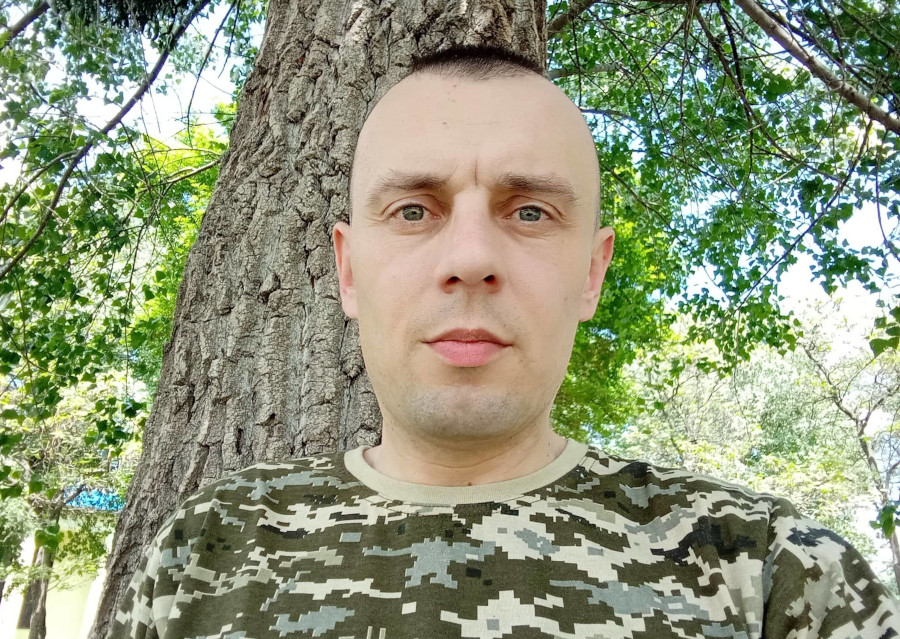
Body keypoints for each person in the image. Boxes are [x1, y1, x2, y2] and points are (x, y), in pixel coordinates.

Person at [111, 44, 899, 639]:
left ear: (591, 273)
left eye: (529, 212)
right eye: (414, 210)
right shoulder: (201, 556)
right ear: (348, 271)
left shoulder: (773, 575)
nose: (470, 258)